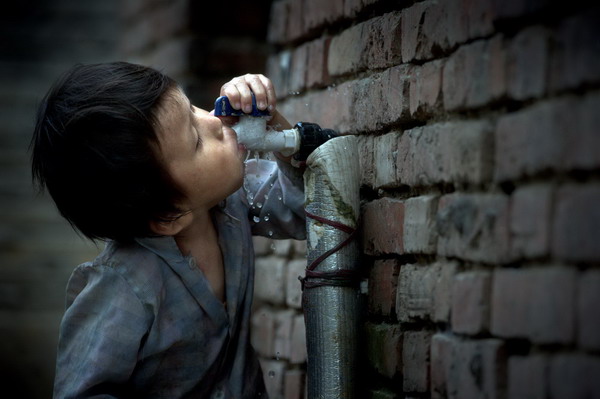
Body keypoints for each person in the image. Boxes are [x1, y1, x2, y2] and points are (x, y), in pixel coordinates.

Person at [30, 62, 306, 398]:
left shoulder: (229, 204)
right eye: (195, 142)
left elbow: (303, 207)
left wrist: (271, 123)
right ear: (168, 216)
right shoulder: (124, 286)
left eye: (191, 108)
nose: (213, 122)